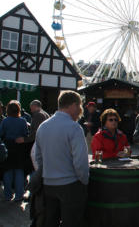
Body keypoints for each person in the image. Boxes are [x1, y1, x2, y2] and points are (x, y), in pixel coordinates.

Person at [35, 90, 89, 227]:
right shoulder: (74, 128)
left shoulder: (43, 126)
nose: (80, 111)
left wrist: (46, 173)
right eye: (80, 106)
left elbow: (37, 157)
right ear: (74, 105)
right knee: (72, 222)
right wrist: (84, 180)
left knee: (50, 221)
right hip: (70, 184)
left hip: (48, 184)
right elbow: (80, 162)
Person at [0, 100, 28, 202]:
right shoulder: (23, 121)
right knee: (19, 171)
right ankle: (19, 195)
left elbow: (1, 133)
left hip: (8, 146)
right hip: (19, 147)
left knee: (7, 171)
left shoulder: (5, 121)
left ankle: (8, 195)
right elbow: (26, 134)